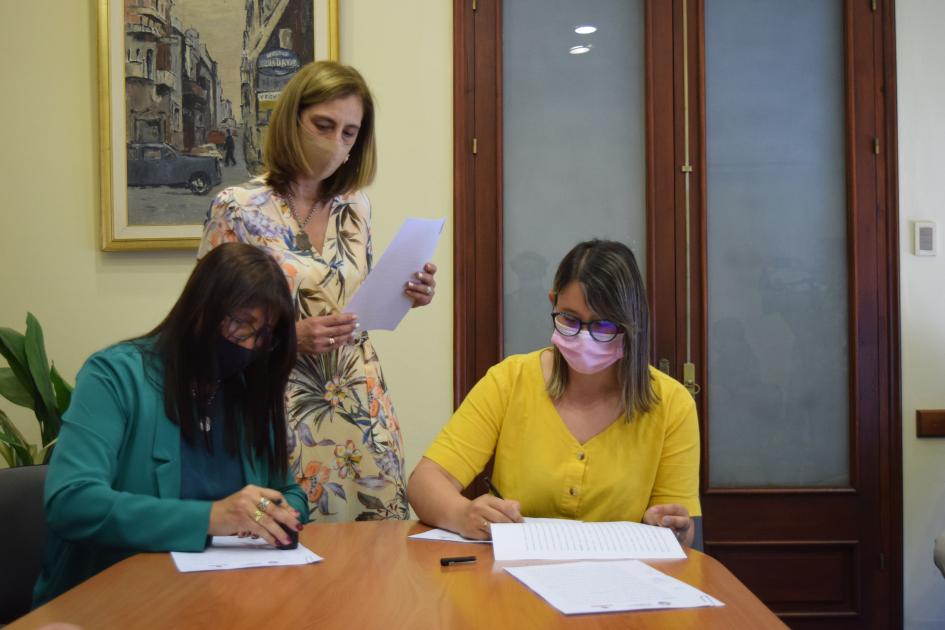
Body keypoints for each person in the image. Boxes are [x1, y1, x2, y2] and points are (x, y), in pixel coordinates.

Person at [199, 61, 436, 522]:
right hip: (277, 408)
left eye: (350, 133)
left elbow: (353, 299)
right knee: (289, 560)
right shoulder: (238, 208)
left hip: (361, 404)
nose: (335, 143)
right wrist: (285, 338)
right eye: (323, 125)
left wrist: (410, 291)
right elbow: (206, 325)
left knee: (375, 562)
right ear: (292, 120)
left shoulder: (356, 208)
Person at [33, 243, 308, 606]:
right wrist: (211, 518)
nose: (249, 345)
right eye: (242, 323)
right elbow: (72, 502)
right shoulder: (115, 376)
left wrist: (277, 513)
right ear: (200, 309)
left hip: (225, 600)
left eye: (264, 335)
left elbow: (289, 493)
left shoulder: (247, 390)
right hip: (114, 604)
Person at [407, 239, 700, 543]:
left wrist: (672, 529)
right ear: (553, 303)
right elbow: (425, 482)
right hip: (510, 578)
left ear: (632, 323)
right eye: (569, 319)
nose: (584, 337)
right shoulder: (510, 380)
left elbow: (681, 528)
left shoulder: (672, 403)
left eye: (603, 326)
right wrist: (462, 514)